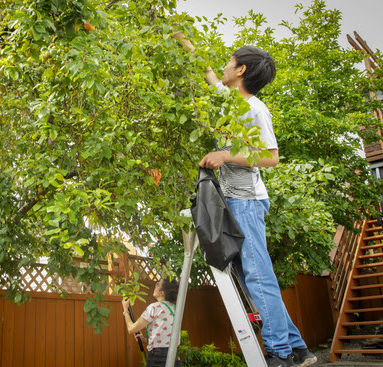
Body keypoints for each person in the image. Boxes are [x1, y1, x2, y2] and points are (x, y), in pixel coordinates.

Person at [172, 32, 317, 367]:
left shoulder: (254, 108)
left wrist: (226, 155)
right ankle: (298, 348)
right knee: (252, 275)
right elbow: (209, 75)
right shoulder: (231, 102)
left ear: (241, 70)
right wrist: (183, 40)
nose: (224, 66)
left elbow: (271, 157)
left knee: (257, 276)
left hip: (248, 202)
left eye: (229, 61)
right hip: (235, 202)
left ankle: (280, 353)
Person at [121, 278, 181, 367]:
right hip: (174, 355)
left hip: (158, 357)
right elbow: (165, 336)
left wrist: (125, 310)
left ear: (162, 293)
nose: (155, 285)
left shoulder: (154, 308)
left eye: (158, 284)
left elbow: (131, 329)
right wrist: (145, 340)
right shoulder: (175, 309)